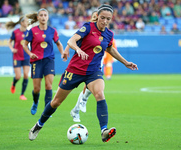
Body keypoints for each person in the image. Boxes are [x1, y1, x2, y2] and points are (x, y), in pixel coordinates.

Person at [29, 4, 138, 143]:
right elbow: (71, 40)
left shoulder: (109, 34)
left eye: (108, 19)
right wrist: (77, 49)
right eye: (102, 18)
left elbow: (110, 49)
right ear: (97, 16)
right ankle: (38, 125)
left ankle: (104, 131)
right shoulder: (88, 27)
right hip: (75, 70)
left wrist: (125, 62)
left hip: (93, 72)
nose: (105, 21)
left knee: (99, 94)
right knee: (56, 102)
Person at [23, 8, 65, 115]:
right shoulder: (32, 31)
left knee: (49, 86)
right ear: (38, 17)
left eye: (45, 15)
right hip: (36, 61)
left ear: (48, 17)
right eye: (41, 15)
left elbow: (58, 43)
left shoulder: (53, 31)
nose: (43, 17)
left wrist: (63, 53)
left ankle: (47, 110)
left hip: (49, 60)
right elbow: (24, 44)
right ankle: (35, 102)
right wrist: (30, 54)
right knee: (37, 89)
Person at [6, 16, 30, 100]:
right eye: (26, 21)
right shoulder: (15, 32)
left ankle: (22, 94)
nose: (27, 23)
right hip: (17, 56)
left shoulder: (29, 32)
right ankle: (14, 84)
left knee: (26, 75)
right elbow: (9, 42)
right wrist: (12, 49)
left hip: (26, 56)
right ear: (22, 23)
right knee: (18, 76)